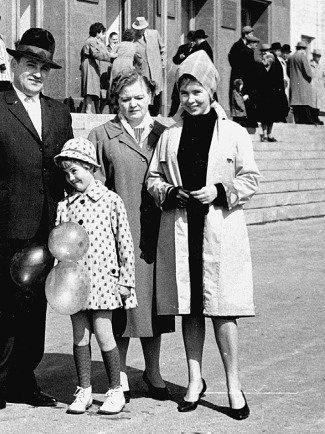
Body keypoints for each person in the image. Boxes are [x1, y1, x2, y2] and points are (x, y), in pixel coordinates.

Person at [0, 27, 74, 418]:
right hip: (2, 229)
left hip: (45, 228)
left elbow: (66, 169)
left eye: (44, 67)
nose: (37, 73)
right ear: (14, 65)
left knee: (33, 308)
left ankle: (24, 381)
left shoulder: (59, 112)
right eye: (30, 64)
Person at [146, 50, 260, 421]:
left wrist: (220, 191)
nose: (191, 99)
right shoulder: (169, 134)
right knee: (191, 309)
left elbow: (251, 178)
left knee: (223, 311)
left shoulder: (234, 132)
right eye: (184, 93)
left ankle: (233, 385)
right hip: (182, 230)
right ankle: (195, 381)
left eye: (197, 92)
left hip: (219, 229)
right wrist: (169, 192)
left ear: (211, 91)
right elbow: (153, 178)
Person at [89, 69, 175, 404]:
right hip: (116, 236)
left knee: (154, 305)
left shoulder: (167, 133)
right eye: (125, 99)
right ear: (116, 101)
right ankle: (120, 374)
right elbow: (93, 187)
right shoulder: (102, 135)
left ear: (151, 96)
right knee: (120, 305)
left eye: (139, 97)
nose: (133, 104)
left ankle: (153, 371)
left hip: (158, 232)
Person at [54, 137, 136, 415]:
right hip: (74, 283)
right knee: (80, 335)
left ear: (91, 167)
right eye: (66, 173)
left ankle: (116, 390)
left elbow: (124, 242)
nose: (71, 177)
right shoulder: (65, 205)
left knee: (103, 332)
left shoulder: (110, 200)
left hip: (103, 280)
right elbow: (59, 243)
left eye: (75, 170)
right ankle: (84, 390)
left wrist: (126, 279)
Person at [132, 17, 166, 116]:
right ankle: (147, 113)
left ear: (145, 28)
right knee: (146, 90)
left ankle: (156, 113)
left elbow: (163, 48)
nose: (139, 31)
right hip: (144, 69)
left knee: (157, 90)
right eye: (137, 29)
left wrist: (163, 63)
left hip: (156, 68)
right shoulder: (134, 39)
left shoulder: (154, 34)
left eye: (140, 29)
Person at [80, 22, 116, 114]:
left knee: (93, 87)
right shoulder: (92, 41)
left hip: (92, 64)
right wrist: (110, 56)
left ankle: (87, 109)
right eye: (102, 33)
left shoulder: (93, 41)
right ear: (97, 32)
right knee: (90, 87)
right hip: (89, 64)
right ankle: (88, 109)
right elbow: (96, 54)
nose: (103, 35)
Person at [256, 44, 288, 141]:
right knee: (264, 114)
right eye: (263, 51)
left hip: (273, 93)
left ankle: (269, 134)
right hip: (263, 92)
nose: (265, 53)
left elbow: (279, 77)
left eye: (267, 51)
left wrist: (280, 90)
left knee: (272, 114)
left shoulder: (275, 63)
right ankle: (265, 134)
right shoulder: (259, 63)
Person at [228, 26, 255, 114]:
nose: (252, 36)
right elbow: (232, 60)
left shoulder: (249, 46)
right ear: (246, 35)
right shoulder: (237, 46)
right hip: (239, 77)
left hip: (246, 77)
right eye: (251, 34)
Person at [169, 31, 196, 116]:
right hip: (182, 74)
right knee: (176, 95)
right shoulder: (182, 48)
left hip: (192, 75)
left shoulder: (198, 49)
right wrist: (180, 57)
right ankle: (172, 113)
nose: (191, 42)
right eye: (190, 40)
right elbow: (175, 60)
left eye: (193, 40)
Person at [288, 41, 314, 124]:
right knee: (304, 105)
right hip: (303, 84)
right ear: (303, 49)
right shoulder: (302, 57)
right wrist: (310, 77)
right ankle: (307, 121)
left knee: (296, 107)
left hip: (294, 84)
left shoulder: (291, 57)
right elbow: (308, 72)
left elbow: (288, 72)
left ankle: (298, 121)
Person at [310, 48, 325, 125]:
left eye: (319, 56)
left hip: (319, 87)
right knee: (312, 103)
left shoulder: (321, 66)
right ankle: (312, 118)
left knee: (318, 104)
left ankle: (316, 117)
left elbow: (324, 75)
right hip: (312, 86)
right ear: (313, 56)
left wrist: (324, 83)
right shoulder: (310, 64)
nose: (318, 58)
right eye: (317, 56)